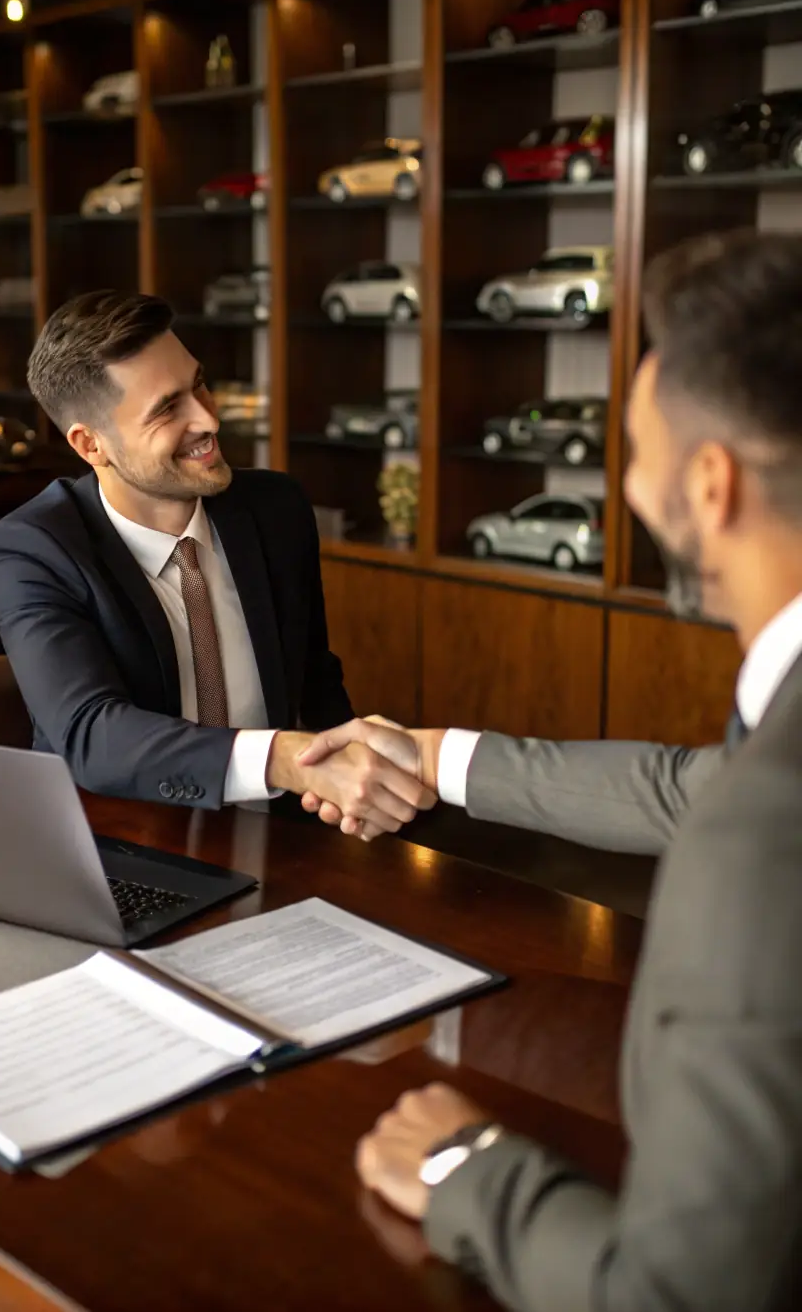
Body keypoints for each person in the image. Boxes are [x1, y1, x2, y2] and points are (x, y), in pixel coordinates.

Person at [305, 230, 802, 1310]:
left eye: (631, 449)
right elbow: (691, 786)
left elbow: (674, 1295)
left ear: (709, 486)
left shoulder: (762, 842)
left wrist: (467, 1171)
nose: (623, 483)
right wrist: (439, 759)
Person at [0, 291, 432, 832]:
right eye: (168, 408)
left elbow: (314, 680)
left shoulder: (277, 510)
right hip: (122, 852)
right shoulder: (34, 549)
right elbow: (93, 734)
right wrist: (288, 761)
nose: (208, 419)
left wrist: (359, 792)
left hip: (282, 841)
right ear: (90, 445)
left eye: (197, 384)